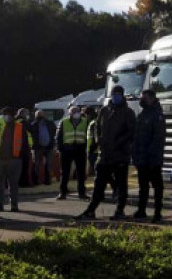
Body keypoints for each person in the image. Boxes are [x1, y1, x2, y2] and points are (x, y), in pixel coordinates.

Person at [76, 85, 135, 220]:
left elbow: (131, 132)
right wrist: (98, 140)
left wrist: (118, 143)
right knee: (99, 184)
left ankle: (120, 210)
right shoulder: (104, 110)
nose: (116, 96)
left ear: (122, 95)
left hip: (120, 154)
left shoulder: (128, 112)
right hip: (105, 154)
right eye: (114, 94)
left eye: (118, 94)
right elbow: (97, 127)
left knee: (121, 184)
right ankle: (90, 211)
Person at [131, 90, 166, 222]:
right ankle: (141, 210)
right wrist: (135, 155)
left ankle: (157, 213)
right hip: (141, 159)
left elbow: (158, 139)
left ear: (151, 98)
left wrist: (151, 157)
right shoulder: (142, 115)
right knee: (143, 187)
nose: (142, 101)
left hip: (153, 160)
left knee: (157, 187)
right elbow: (136, 137)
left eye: (144, 98)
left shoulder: (157, 115)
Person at [0, 107, 29, 212]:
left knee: (13, 185)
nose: (7, 116)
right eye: (5, 114)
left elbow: (25, 144)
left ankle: (13, 205)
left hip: (14, 159)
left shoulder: (20, 127)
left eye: (9, 114)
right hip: (0, 159)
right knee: (0, 184)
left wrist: (24, 158)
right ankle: (0, 204)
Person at [56, 106, 88, 200]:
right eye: (74, 111)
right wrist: (60, 149)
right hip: (67, 150)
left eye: (78, 111)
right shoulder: (64, 122)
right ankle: (63, 193)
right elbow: (59, 137)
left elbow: (87, 134)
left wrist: (86, 147)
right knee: (65, 173)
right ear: (70, 113)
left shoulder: (85, 121)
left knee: (81, 173)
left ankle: (82, 193)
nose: (76, 113)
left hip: (80, 149)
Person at [31, 110, 55, 185]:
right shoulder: (33, 124)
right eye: (38, 115)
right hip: (38, 147)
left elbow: (54, 132)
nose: (40, 117)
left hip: (49, 147)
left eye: (41, 115)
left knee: (48, 164)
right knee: (36, 164)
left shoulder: (50, 123)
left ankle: (47, 180)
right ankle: (35, 181)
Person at [16, 108, 34, 187]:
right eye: (27, 114)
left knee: (18, 167)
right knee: (25, 167)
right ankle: (24, 183)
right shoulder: (24, 122)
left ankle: (19, 182)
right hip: (24, 147)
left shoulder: (15, 121)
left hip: (16, 147)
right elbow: (31, 130)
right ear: (23, 114)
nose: (28, 116)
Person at [84, 106, 98, 177]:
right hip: (93, 148)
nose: (86, 117)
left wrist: (92, 146)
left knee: (94, 166)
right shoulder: (93, 122)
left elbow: (94, 136)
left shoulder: (93, 123)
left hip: (93, 149)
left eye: (86, 115)